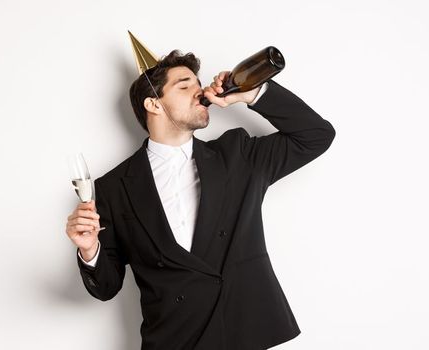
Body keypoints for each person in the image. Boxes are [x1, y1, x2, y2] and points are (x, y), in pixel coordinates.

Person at [64, 49, 335, 349]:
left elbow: (317, 135)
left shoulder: (238, 156)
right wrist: (90, 251)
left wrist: (250, 94)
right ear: (153, 103)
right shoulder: (113, 188)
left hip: (244, 334)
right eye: (184, 85)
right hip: (173, 340)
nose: (201, 91)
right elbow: (105, 287)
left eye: (198, 83)